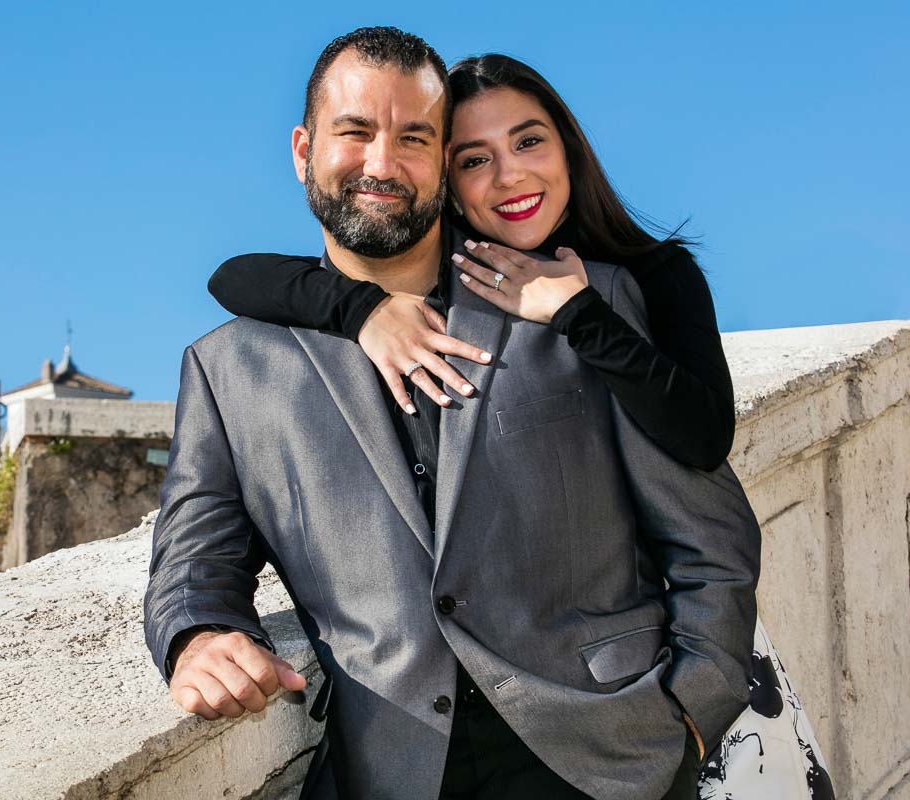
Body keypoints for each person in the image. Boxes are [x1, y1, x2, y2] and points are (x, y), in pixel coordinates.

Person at [143, 27, 761, 800]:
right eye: (355, 132)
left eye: (414, 138)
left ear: (441, 159)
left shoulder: (583, 300)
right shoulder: (227, 368)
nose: (381, 162)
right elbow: (194, 563)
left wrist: (693, 711)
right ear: (303, 150)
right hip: (389, 768)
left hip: (611, 759)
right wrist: (199, 638)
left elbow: (709, 536)